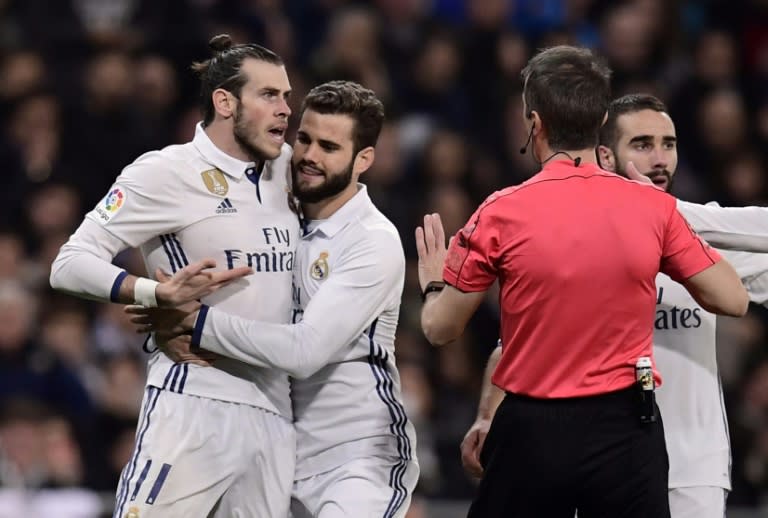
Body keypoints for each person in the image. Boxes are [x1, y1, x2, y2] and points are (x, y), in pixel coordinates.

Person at [416, 45, 749, 518]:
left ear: (535, 124)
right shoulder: (653, 209)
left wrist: (433, 284)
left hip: (532, 433)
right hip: (625, 434)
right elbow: (732, 298)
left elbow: (440, 329)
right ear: (599, 124)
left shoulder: (500, 212)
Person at [129, 81, 419, 517]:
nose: (309, 157)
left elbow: (305, 351)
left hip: (358, 458)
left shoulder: (371, 241)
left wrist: (196, 322)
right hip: (281, 450)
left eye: (329, 147)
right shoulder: (280, 215)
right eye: (303, 139)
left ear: (364, 160)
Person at [49, 35, 299, 517]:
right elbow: (70, 262)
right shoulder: (166, 172)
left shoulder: (288, 171)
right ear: (225, 102)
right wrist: (155, 293)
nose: (285, 109)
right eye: (269, 95)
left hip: (274, 409)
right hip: (194, 398)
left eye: (287, 95)